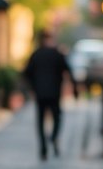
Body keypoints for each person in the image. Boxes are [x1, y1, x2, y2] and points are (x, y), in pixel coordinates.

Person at [22, 29, 79, 161]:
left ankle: (43, 148)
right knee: (57, 117)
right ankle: (53, 137)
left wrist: (32, 87)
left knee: (40, 120)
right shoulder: (57, 54)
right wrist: (75, 89)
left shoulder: (35, 55)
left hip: (40, 93)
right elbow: (68, 71)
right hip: (54, 93)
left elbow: (26, 73)